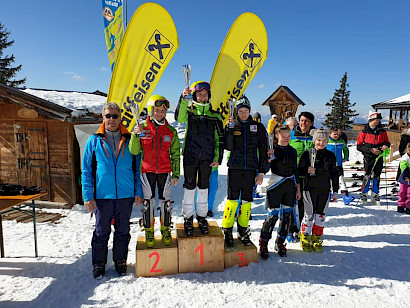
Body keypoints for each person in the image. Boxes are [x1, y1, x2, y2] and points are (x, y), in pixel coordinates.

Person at [82, 102, 143, 279]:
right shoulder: (94, 141)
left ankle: (120, 261)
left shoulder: (131, 139)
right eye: (108, 116)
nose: (111, 119)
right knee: (102, 231)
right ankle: (98, 263)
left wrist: (138, 191)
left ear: (120, 118)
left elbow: (137, 168)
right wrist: (88, 196)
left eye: (115, 116)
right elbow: (86, 170)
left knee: (123, 230)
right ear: (103, 117)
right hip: (103, 195)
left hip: (125, 194)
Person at [129, 95, 180, 248]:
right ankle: (149, 231)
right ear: (151, 110)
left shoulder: (170, 131)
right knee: (148, 203)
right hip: (147, 171)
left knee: (166, 203)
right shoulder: (142, 127)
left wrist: (176, 173)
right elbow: (133, 150)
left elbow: (176, 154)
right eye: (156, 110)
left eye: (163, 111)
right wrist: (135, 135)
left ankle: (165, 230)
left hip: (165, 171)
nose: (159, 113)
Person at [176, 81, 224, 236]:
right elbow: (179, 117)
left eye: (205, 94)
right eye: (199, 94)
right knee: (189, 188)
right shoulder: (190, 112)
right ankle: (188, 218)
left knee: (204, 188)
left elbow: (219, 139)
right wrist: (183, 99)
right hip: (190, 155)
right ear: (195, 96)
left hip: (207, 158)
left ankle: (202, 217)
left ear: (208, 96)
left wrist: (218, 158)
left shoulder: (215, 116)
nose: (202, 97)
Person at [222, 96, 269, 247]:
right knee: (232, 199)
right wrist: (229, 130)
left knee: (247, 201)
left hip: (251, 168)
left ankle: (242, 230)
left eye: (246, 111)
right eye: (240, 111)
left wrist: (261, 172)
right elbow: (228, 147)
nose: (243, 114)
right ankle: (227, 230)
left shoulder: (258, 127)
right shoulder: (232, 125)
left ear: (250, 111)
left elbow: (263, 150)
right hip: (235, 167)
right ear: (236, 112)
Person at [259, 125, 301, 259]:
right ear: (277, 136)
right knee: (273, 216)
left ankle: (280, 242)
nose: (286, 139)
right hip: (276, 185)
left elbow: (295, 170)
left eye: (289, 136)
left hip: (289, 185)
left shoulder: (293, 151)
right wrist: (268, 159)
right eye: (283, 136)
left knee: (287, 216)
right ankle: (263, 243)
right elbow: (264, 168)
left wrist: (298, 188)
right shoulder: (273, 150)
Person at [298, 129, 339, 253]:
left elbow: (334, 174)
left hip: (324, 189)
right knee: (309, 215)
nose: (321, 143)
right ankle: (304, 237)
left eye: (324, 141)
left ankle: (317, 237)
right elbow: (299, 171)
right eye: (319, 140)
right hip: (309, 189)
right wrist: (306, 170)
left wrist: (335, 190)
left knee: (320, 215)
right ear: (314, 140)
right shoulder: (307, 154)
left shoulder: (330, 156)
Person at [288, 111, 315, 240]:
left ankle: (302, 228)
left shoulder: (314, 136)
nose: (304, 123)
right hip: (294, 174)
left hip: (309, 176)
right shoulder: (292, 135)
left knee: (305, 205)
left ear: (311, 123)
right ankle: (291, 228)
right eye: (302, 120)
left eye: (307, 121)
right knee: (292, 203)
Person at [357, 111, 390, 205]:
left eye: (379, 120)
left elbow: (387, 142)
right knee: (367, 175)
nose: (378, 121)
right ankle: (364, 194)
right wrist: (371, 150)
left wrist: (385, 146)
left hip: (379, 156)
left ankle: (375, 195)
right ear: (371, 119)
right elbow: (359, 146)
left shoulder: (382, 131)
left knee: (377, 175)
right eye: (376, 119)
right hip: (368, 156)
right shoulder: (364, 132)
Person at [326, 127, 350, 196]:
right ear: (330, 134)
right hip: (329, 164)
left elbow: (345, 150)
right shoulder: (327, 141)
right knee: (329, 178)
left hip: (339, 163)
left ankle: (342, 192)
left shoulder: (341, 141)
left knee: (340, 177)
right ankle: (328, 192)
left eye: (337, 134)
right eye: (334, 134)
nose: (336, 136)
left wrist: (346, 157)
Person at [397, 143, 410, 214]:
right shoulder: (405, 157)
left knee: (409, 193)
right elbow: (403, 167)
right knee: (402, 192)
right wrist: (406, 176)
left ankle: (408, 206)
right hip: (405, 178)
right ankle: (401, 205)